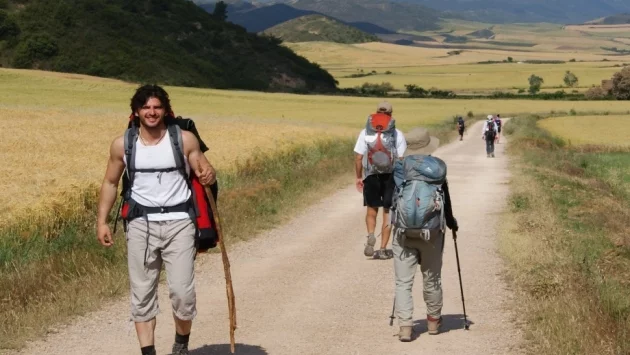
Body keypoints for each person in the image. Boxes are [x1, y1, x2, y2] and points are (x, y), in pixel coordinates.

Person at [96, 85, 216, 355]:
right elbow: (110, 182)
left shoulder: (184, 139)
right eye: (146, 107)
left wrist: (210, 175)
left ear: (165, 110)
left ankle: (180, 346)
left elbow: (205, 171)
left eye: (157, 107)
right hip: (140, 225)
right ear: (136, 111)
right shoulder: (123, 144)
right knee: (142, 295)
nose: (151, 112)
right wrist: (101, 221)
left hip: (180, 224)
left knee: (183, 294)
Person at [390, 129, 458, 342]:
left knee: (403, 282)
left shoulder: (400, 167)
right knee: (432, 278)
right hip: (432, 232)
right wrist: (452, 223)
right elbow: (445, 198)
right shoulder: (437, 168)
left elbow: (394, 200)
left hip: (403, 232)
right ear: (429, 146)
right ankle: (433, 322)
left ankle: (405, 327)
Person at [354, 101, 407, 260]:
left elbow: (358, 158)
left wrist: (358, 177)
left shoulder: (366, 132)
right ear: (391, 114)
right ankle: (383, 249)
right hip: (390, 177)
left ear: (376, 113)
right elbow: (401, 159)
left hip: (371, 175)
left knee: (371, 210)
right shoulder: (397, 133)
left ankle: (370, 234)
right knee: (388, 212)